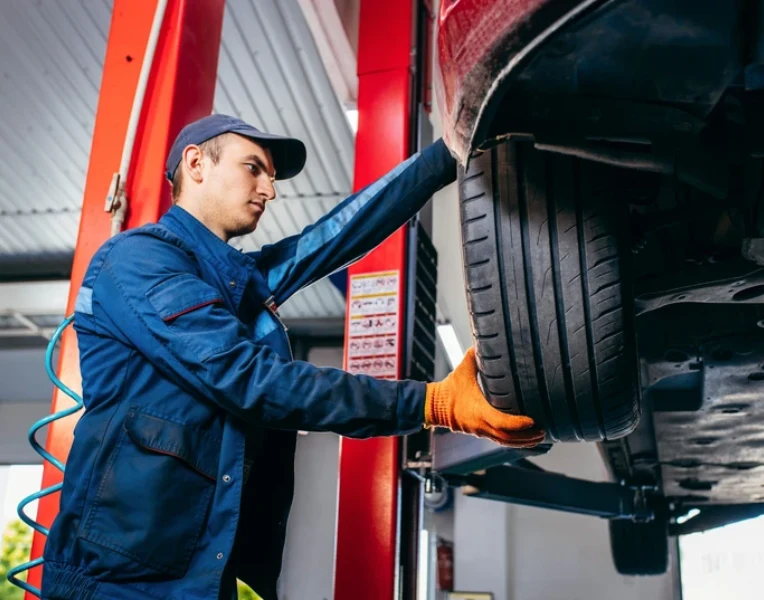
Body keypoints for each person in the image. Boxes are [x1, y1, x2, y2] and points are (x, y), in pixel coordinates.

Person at [41, 115, 544, 600]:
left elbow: (332, 238)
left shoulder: (233, 280)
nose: (270, 190)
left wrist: (446, 157)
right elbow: (249, 378)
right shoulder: (138, 260)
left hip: (194, 576)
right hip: (116, 583)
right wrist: (431, 404)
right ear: (196, 164)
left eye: (271, 177)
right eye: (253, 168)